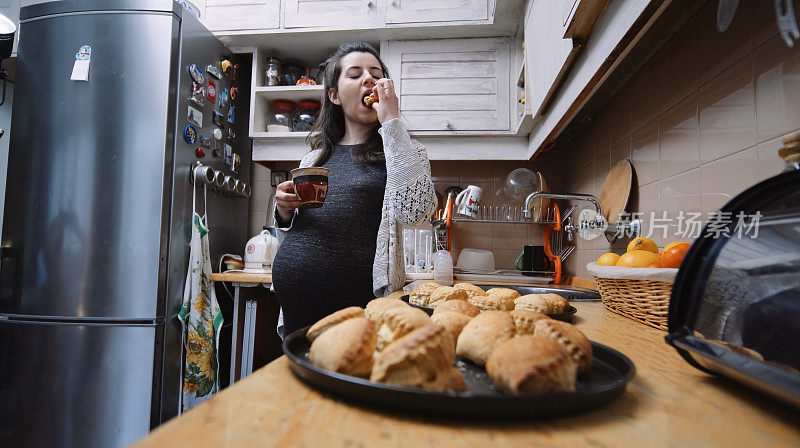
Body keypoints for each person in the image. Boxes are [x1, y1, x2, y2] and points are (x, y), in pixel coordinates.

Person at [271, 42, 436, 337]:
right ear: (334, 95)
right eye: (355, 74)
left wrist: (392, 122)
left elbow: (416, 213)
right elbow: (300, 228)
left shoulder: (405, 152)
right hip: (298, 309)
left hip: (360, 309)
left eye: (375, 73)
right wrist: (283, 212)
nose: (369, 79)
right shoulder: (314, 157)